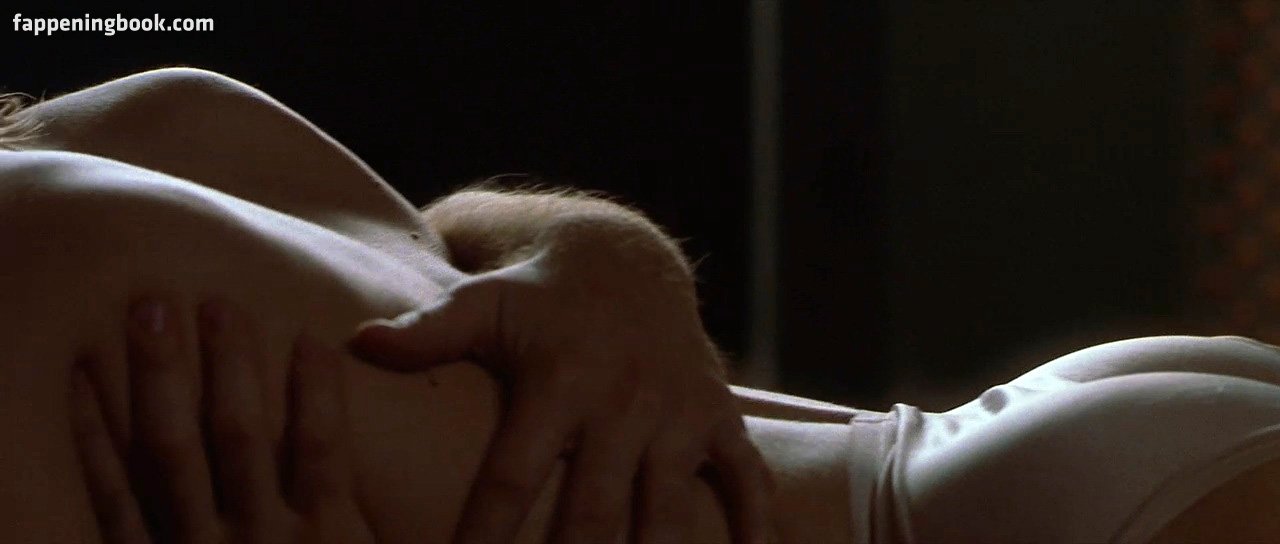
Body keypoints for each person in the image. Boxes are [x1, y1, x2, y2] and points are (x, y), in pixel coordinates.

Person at [3, 67, 1280, 543]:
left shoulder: (94, 138)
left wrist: (606, 254)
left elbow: (437, 248)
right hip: (1060, 443)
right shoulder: (109, 137)